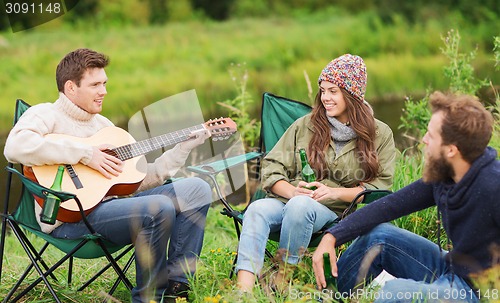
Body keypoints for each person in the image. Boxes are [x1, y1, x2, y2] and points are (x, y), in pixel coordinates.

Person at [4, 48, 213, 303]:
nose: (104, 91)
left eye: (104, 83)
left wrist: (183, 148)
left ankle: (176, 288)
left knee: (196, 189)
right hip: (71, 219)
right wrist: (85, 153)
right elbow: (14, 147)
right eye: (95, 85)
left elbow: (137, 182)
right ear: (71, 87)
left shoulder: (104, 127)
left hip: (113, 209)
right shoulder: (45, 114)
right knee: (158, 208)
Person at [312, 91, 500, 303]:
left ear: (451, 150)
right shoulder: (448, 174)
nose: (423, 140)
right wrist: (332, 236)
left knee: (394, 291)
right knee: (379, 236)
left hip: (481, 293)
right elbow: (389, 206)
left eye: (431, 135)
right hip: (453, 269)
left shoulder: (493, 185)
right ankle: (327, 299)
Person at [236, 54, 397, 292]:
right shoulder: (306, 124)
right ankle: (243, 292)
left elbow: (378, 188)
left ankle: (283, 278)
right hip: (287, 200)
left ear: (352, 94)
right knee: (257, 209)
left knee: (301, 206)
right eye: (322, 91)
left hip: (333, 211)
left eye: (333, 91)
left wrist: (333, 193)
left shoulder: (380, 134)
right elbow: (271, 166)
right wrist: (292, 191)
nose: (325, 98)